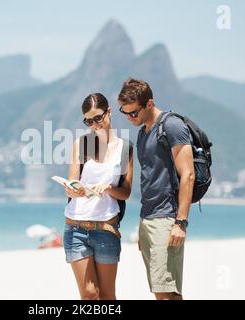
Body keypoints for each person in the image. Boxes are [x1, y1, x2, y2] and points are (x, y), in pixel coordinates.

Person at [118, 78, 195, 300]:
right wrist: (143, 224)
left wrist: (181, 222)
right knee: (162, 293)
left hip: (167, 218)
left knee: (166, 293)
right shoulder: (143, 132)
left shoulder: (171, 126)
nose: (130, 118)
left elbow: (188, 175)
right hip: (148, 220)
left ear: (149, 104)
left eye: (134, 113)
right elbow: (149, 179)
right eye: (125, 113)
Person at [63, 93, 133, 300]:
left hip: (106, 229)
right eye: (89, 120)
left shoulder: (125, 148)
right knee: (89, 294)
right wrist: (73, 189)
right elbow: (71, 183)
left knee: (108, 297)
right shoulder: (81, 144)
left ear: (109, 112)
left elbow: (126, 192)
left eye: (98, 118)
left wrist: (109, 188)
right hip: (76, 227)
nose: (94, 125)